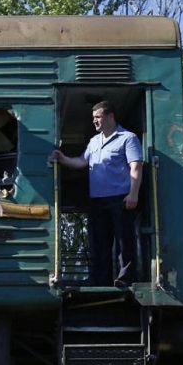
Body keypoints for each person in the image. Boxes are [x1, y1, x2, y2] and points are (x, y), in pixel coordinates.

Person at [50, 101, 143, 287]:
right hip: (97, 200)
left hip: (120, 198)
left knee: (124, 241)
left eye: (98, 117)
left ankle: (125, 278)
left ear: (110, 116)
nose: (95, 121)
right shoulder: (94, 141)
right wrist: (63, 159)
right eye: (93, 118)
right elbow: (81, 162)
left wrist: (133, 194)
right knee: (100, 242)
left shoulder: (128, 138)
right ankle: (101, 280)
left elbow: (136, 166)